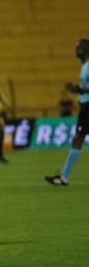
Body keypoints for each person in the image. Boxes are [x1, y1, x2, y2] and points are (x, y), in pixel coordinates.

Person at [45, 39, 89, 186]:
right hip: (85, 107)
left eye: (79, 46)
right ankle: (63, 177)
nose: (77, 49)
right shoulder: (84, 66)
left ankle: (64, 178)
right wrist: (77, 89)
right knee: (78, 139)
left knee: (78, 139)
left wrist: (79, 89)